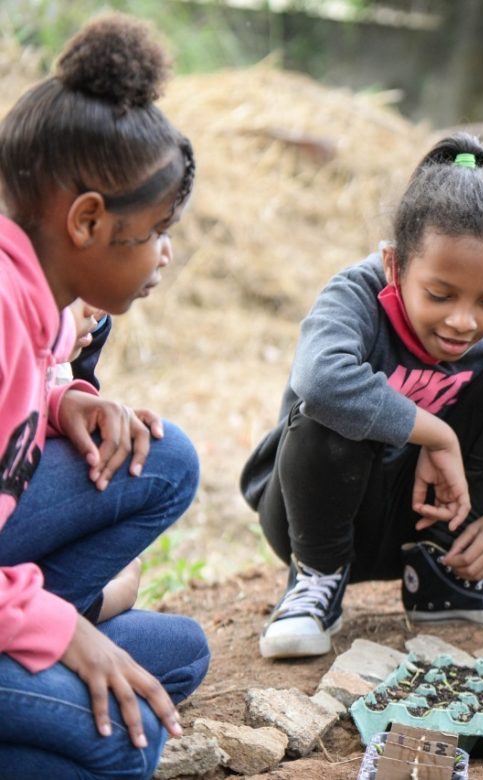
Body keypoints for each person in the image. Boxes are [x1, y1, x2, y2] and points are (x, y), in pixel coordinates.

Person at [241, 132, 483, 659]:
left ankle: (441, 579)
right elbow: (321, 381)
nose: (465, 321)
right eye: (440, 295)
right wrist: (435, 433)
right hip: (317, 515)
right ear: (395, 266)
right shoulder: (356, 297)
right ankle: (314, 586)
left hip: (427, 523)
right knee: (333, 413)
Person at [0, 13, 209, 778]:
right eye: (156, 229)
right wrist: (57, 629)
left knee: (176, 658)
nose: (165, 252)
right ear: (87, 220)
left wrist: (61, 400)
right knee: (131, 740)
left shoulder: (37, 301)